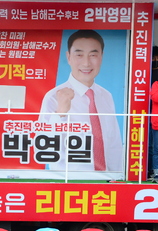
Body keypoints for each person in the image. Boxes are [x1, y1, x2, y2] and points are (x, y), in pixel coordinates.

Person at [39, 30, 123, 172]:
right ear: (69, 57)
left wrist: (117, 176)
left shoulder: (106, 96)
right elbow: (43, 146)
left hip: (107, 181)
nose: (86, 62)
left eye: (93, 55)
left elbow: (114, 144)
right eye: (79, 55)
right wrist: (60, 113)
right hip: (70, 181)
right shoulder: (54, 96)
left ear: (101, 57)